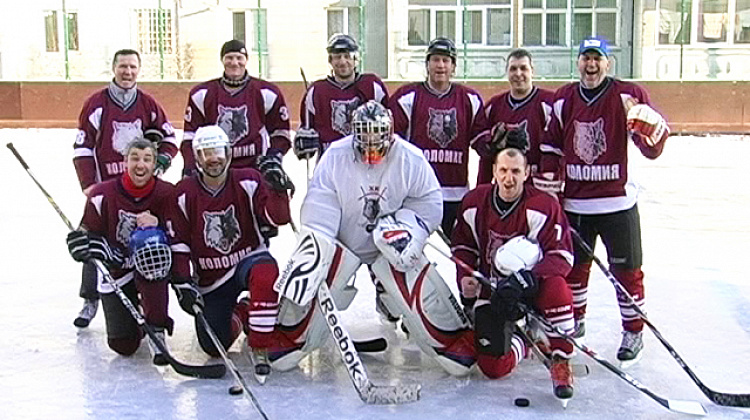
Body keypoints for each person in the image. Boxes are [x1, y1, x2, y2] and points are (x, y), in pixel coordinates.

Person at [273, 101, 476, 376]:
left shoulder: (410, 158)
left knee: (402, 255)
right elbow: (321, 198)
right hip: (344, 240)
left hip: (386, 244)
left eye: (376, 134)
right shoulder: (335, 155)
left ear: (389, 132)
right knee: (316, 259)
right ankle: (290, 335)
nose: (370, 143)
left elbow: (428, 201)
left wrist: (407, 230)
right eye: (364, 135)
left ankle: (449, 338)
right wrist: (322, 238)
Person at [540, 37, 669, 364]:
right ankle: (576, 319)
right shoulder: (564, 98)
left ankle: (633, 329)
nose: (591, 64)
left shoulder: (629, 95)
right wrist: (551, 190)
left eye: (597, 58)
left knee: (627, 272)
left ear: (608, 63)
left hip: (618, 205)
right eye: (586, 58)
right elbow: (551, 147)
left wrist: (644, 128)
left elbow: (653, 148)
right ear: (578, 62)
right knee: (574, 270)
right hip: (576, 206)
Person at [451, 131, 576, 400]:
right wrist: (466, 278)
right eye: (504, 171)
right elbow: (463, 247)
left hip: (531, 290)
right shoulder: (474, 202)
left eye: (516, 171)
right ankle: (526, 342)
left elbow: (563, 257)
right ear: (493, 171)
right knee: (492, 367)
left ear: (527, 172)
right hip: (494, 291)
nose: (509, 179)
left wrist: (528, 278)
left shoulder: (543, 206)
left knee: (558, 288)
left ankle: (561, 357)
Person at [168, 125, 292, 383]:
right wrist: (182, 282)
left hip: (249, 258)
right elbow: (178, 242)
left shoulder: (248, 179)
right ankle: (244, 311)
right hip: (211, 278)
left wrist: (278, 192)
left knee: (265, 273)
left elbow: (277, 218)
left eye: (218, 152)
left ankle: (260, 345)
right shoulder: (184, 192)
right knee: (213, 345)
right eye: (206, 153)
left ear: (228, 153)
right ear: (197, 158)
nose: (213, 159)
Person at [72, 48, 178, 328]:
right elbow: (83, 146)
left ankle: (147, 301)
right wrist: (89, 185)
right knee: (94, 236)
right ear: (114, 68)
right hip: (107, 186)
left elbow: (169, 138)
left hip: (141, 184)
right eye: (122, 66)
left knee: (141, 237)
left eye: (132, 67)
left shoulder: (148, 103)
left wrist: (162, 160)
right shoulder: (96, 104)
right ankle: (90, 298)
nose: (127, 72)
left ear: (138, 70)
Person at [66, 138, 177, 365]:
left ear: (155, 164)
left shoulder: (167, 193)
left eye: (147, 159)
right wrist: (79, 239)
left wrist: (160, 221)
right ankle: (137, 318)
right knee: (123, 345)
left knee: (151, 248)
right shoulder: (102, 194)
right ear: (125, 162)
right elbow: (87, 227)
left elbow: (182, 229)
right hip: (117, 268)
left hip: (152, 267)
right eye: (135, 158)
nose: (140, 165)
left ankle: (156, 326)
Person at [389, 37, 490, 239]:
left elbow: (482, 144)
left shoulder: (469, 99)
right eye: (435, 59)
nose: (441, 65)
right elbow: (391, 146)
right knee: (409, 255)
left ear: (454, 66)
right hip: (416, 194)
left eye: (446, 60)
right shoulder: (406, 97)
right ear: (427, 64)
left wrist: (499, 143)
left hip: (455, 193)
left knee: (459, 254)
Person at [181, 40, 292, 176]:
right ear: (222, 60)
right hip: (214, 170)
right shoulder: (202, 94)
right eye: (229, 58)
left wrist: (273, 157)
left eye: (239, 58)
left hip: (255, 168)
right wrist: (190, 164)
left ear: (246, 60)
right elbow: (190, 136)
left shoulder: (267, 92)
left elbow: (281, 132)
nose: (234, 63)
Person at [293, 33, 389, 161]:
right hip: (329, 163)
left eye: (347, 56)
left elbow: (389, 125)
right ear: (330, 61)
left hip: (365, 162)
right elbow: (304, 130)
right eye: (337, 57)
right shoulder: (316, 91)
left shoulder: (372, 86)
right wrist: (302, 143)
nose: (343, 61)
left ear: (356, 59)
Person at [478, 49, 555, 187]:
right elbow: (486, 156)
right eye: (513, 69)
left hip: (535, 187)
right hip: (504, 188)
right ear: (507, 72)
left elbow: (557, 152)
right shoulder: (493, 106)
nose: (518, 74)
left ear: (532, 71)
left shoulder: (549, 104)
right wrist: (481, 188)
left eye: (523, 68)